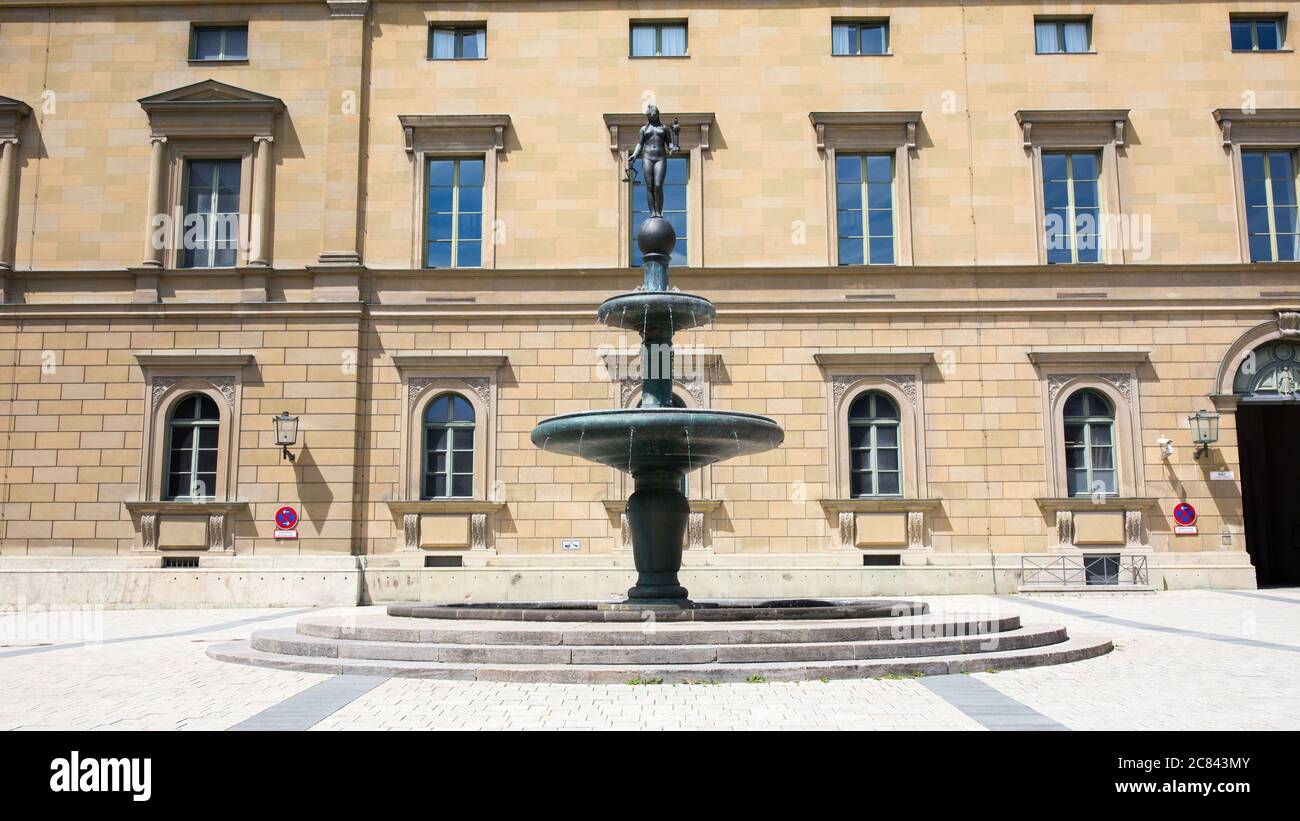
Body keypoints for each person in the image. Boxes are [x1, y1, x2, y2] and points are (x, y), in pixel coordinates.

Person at [626, 106, 680, 218]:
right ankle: (652, 212)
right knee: (649, 186)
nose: (651, 115)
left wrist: (672, 148)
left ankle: (659, 211)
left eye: (653, 113)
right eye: (649, 114)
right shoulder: (644, 129)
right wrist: (635, 154)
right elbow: (640, 144)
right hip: (647, 157)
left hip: (660, 157)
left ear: (657, 114)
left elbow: (669, 142)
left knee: (658, 185)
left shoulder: (664, 129)